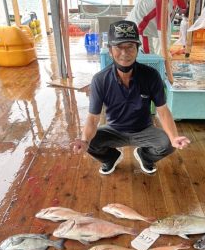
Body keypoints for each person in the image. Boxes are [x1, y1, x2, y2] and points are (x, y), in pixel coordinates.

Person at [73, 20, 190, 175]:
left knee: (168, 143)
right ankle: (110, 158)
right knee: (89, 143)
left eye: (130, 46)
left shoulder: (151, 76)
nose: (124, 53)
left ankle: (145, 156)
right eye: (119, 47)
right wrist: (85, 141)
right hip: (113, 129)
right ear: (110, 50)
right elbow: (93, 119)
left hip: (144, 129)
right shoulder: (100, 80)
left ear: (137, 49)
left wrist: (174, 137)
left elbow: (162, 111)